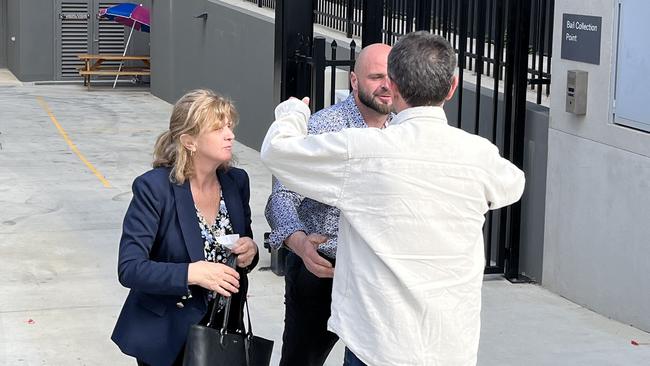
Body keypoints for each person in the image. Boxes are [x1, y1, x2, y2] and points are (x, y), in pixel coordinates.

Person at [260, 31, 525, 366]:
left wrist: (291, 113)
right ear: (453, 87)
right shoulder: (477, 154)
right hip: (437, 335)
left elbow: (278, 152)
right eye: (375, 76)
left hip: (379, 337)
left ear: (396, 84)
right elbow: (512, 184)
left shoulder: (362, 149)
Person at [264, 43, 393, 366]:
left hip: (379, 276)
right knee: (301, 361)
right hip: (323, 268)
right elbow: (281, 197)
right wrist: (298, 243)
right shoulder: (324, 128)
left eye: (392, 76)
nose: (386, 85)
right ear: (353, 80)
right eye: (376, 76)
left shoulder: (405, 131)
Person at [111, 89, 259, 366]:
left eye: (229, 125)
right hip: (168, 334)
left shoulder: (236, 182)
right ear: (189, 141)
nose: (230, 135)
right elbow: (129, 268)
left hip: (221, 329)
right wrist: (192, 272)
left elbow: (242, 244)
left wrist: (249, 251)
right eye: (218, 128)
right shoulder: (154, 189)